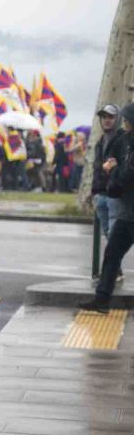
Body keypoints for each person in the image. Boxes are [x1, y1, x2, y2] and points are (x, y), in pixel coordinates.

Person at [81, 103, 134, 312]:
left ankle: (102, 299)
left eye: (126, 119)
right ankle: (102, 300)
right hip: (128, 213)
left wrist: (112, 169)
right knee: (112, 254)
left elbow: (126, 177)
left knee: (112, 253)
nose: (123, 122)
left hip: (129, 212)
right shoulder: (126, 142)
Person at [92, 104, 121, 242]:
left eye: (111, 116)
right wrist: (94, 192)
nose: (107, 120)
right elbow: (96, 167)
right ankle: (113, 264)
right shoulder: (100, 141)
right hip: (101, 194)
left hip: (114, 195)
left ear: (117, 118)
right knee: (108, 235)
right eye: (104, 117)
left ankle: (112, 264)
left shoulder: (122, 139)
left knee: (113, 236)